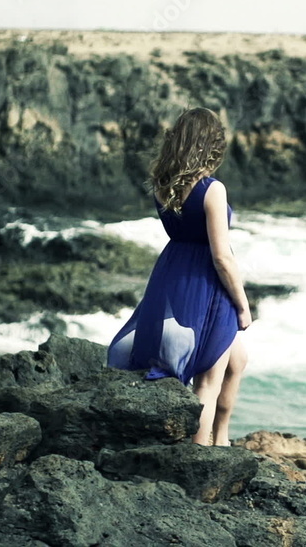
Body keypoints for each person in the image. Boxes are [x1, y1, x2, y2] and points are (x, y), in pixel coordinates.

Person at [107, 107, 251, 447]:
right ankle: (201, 452)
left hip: (171, 274)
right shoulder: (212, 189)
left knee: (237, 358)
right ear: (211, 144)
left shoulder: (163, 184)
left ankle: (223, 438)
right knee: (208, 379)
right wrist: (243, 305)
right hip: (205, 282)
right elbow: (221, 255)